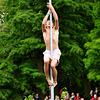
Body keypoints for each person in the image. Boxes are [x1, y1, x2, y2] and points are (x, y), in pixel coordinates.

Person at [42, 2, 61, 87]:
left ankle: (55, 81)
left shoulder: (55, 29)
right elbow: (43, 23)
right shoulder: (45, 31)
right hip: (48, 51)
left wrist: (52, 9)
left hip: (55, 51)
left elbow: (56, 19)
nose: (49, 22)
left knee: (52, 66)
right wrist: (48, 13)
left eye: (50, 22)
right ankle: (48, 79)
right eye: (48, 22)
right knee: (46, 61)